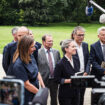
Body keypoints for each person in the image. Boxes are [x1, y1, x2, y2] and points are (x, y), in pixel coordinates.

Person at [7, 36, 45, 105]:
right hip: (27, 96)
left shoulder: (31, 56)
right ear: (25, 48)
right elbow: (27, 85)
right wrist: (40, 94)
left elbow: (36, 71)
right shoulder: (18, 65)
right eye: (32, 47)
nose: (35, 48)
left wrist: (43, 86)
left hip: (35, 92)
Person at [54, 39, 80, 105]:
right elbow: (57, 79)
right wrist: (70, 80)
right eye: (73, 47)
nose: (75, 48)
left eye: (75, 46)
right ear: (66, 49)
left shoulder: (76, 60)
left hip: (76, 93)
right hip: (65, 95)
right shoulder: (60, 64)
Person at [38, 34, 60, 105]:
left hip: (54, 80)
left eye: (52, 41)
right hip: (44, 79)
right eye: (49, 41)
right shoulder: (38, 53)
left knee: (54, 98)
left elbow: (59, 66)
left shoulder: (56, 52)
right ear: (43, 42)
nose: (51, 43)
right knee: (43, 98)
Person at [71, 26, 90, 105]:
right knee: (74, 98)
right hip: (74, 75)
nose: (81, 37)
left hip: (84, 75)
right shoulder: (70, 45)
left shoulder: (85, 45)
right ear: (73, 35)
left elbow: (88, 60)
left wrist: (87, 71)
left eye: (83, 35)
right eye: (79, 35)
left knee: (82, 96)